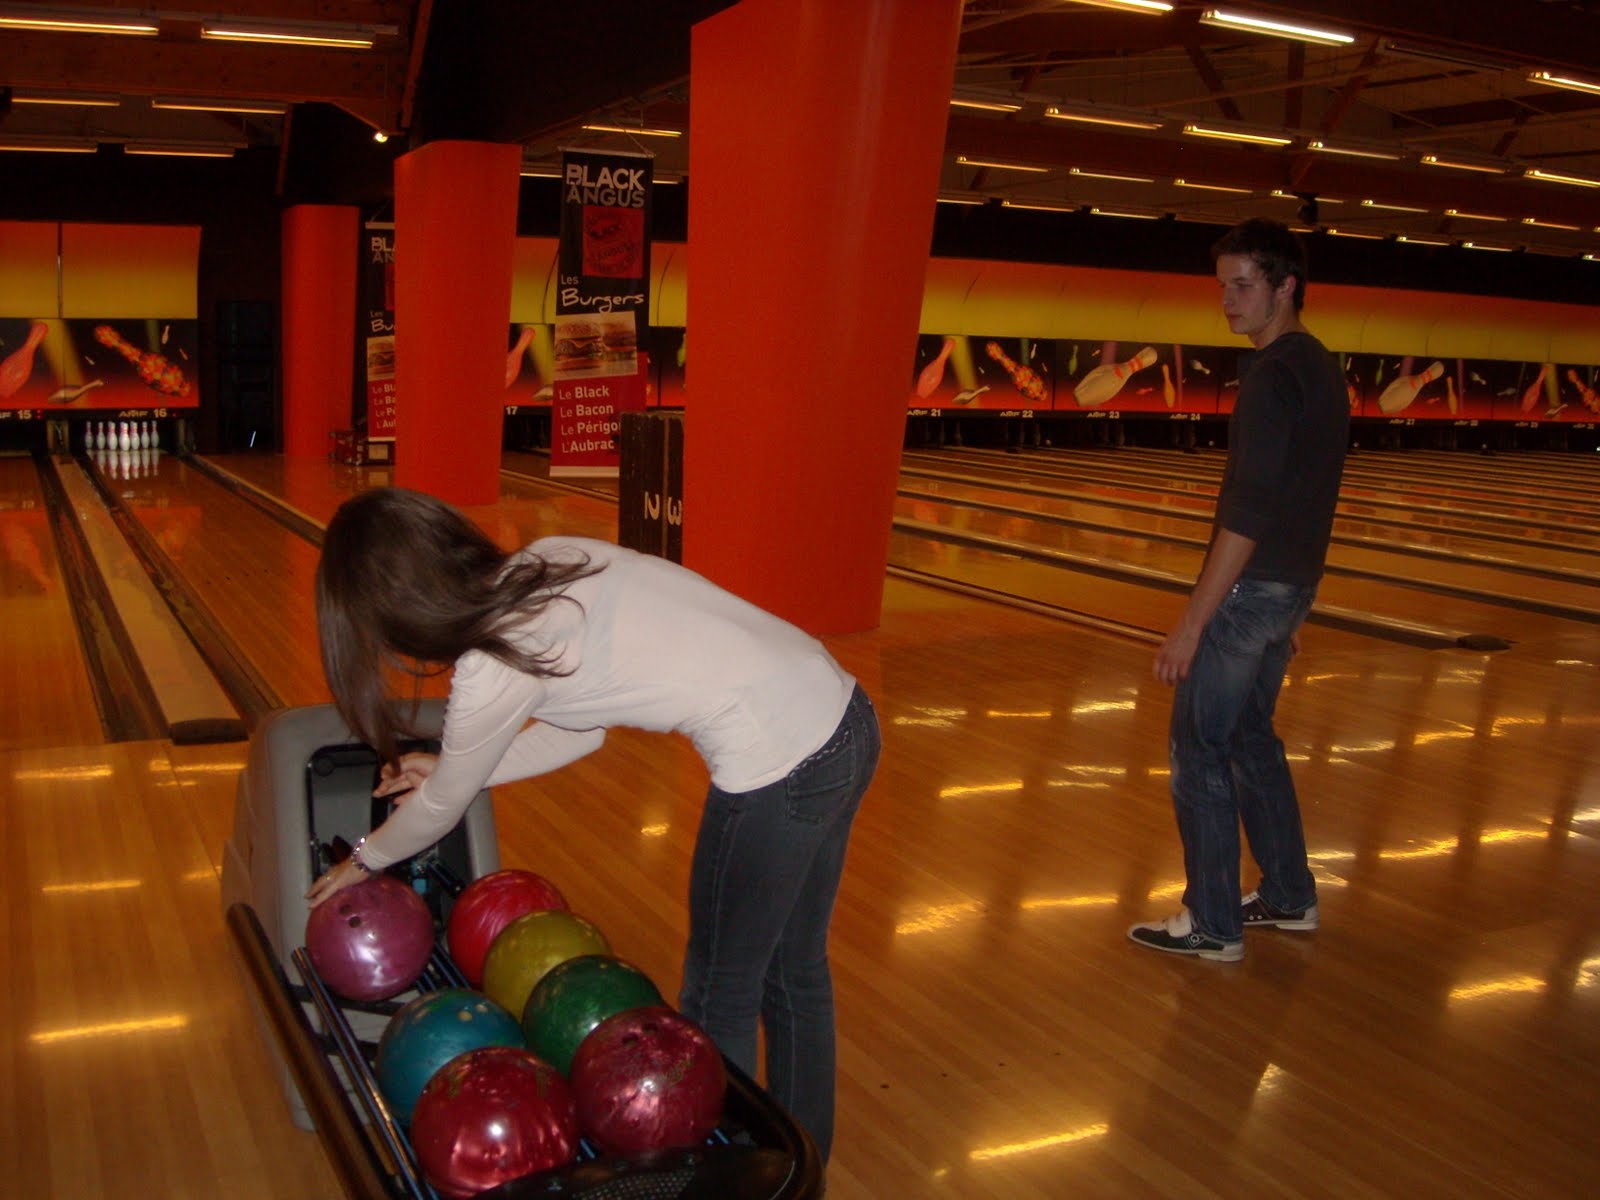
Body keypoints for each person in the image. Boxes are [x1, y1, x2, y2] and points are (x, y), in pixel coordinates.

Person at [305, 486, 879, 1160]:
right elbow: (581, 732)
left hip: (777, 765)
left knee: (719, 990)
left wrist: (364, 858)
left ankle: (731, 1170)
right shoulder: (547, 562)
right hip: (843, 717)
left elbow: (439, 809)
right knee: (794, 968)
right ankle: (806, 1159)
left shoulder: (492, 662)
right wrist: (456, 769)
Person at [1128, 218, 1349, 962]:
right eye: (1223, 285)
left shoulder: (1268, 378)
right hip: (1287, 588)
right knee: (1252, 739)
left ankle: (1214, 920)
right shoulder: (1320, 365)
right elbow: (1312, 493)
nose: (1228, 300)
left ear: (1286, 287)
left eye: (1244, 285)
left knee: (1198, 748)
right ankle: (1287, 892)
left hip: (1250, 593)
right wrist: (1292, 602)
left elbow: (1248, 510)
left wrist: (1193, 624)